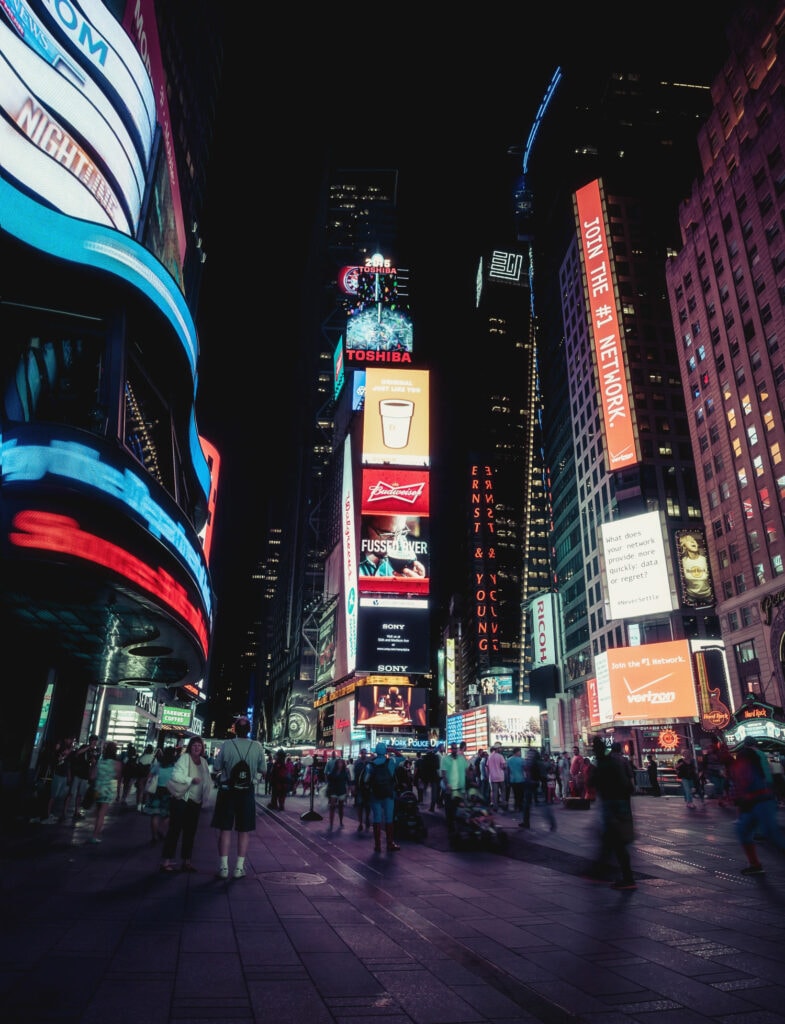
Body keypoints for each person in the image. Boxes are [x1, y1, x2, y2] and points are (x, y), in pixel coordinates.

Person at [211, 716, 265, 879]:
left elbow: (217, 767)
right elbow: (263, 769)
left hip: (227, 791)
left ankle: (223, 868)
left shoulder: (227, 745)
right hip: (246, 792)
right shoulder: (257, 746)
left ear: (234, 729)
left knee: (225, 829)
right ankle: (239, 868)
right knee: (244, 830)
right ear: (249, 730)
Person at [729, 738, 785, 875]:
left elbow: (750, 783)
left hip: (761, 801)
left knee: (770, 834)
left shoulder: (748, 763)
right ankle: (755, 864)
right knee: (745, 830)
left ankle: (755, 864)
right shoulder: (754, 758)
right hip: (756, 801)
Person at [159, 737, 214, 873]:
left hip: (196, 801)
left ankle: (187, 861)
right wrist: (190, 779)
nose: (197, 748)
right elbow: (176, 775)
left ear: (202, 748)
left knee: (190, 832)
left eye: (199, 746)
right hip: (182, 799)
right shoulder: (184, 758)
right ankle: (166, 861)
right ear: (190, 747)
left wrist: (206, 795)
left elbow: (207, 779)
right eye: (194, 745)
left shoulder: (203, 761)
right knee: (175, 830)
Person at [587, 738, 636, 889]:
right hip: (620, 802)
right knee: (614, 840)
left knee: (614, 840)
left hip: (611, 804)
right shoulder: (616, 762)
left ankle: (625, 878)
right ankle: (608, 872)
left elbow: (593, 782)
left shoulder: (603, 763)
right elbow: (628, 783)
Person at [359, 514, 426, 578]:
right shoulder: (351, 552)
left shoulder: (402, 542)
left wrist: (417, 586)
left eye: (400, 532)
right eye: (386, 533)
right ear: (363, 524)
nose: (394, 543)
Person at [367, 742, 400, 852]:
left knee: (377, 818)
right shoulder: (391, 762)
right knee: (389, 818)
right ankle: (390, 843)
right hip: (388, 794)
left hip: (375, 794)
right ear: (385, 751)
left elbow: (365, 780)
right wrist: (393, 750)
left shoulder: (370, 764)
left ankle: (377, 845)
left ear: (376, 751)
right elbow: (403, 758)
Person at [143, 746, 177, 843]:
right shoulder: (174, 767)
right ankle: (161, 829)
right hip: (169, 792)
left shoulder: (158, 765)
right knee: (168, 815)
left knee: (154, 815)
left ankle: (154, 836)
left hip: (156, 791)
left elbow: (149, 776)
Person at [89, 740, 120, 844]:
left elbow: (92, 776)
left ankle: (94, 832)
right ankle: (95, 836)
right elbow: (117, 776)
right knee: (102, 814)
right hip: (107, 790)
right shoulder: (116, 764)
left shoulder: (100, 762)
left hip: (97, 789)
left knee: (97, 812)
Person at [64, 735, 100, 822]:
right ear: (90, 741)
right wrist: (88, 747)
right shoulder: (84, 747)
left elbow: (93, 763)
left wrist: (93, 762)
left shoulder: (94, 751)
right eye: (93, 741)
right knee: (71, 794)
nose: (95, 743)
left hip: (85, 775)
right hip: (77, 774)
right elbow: (77, 753)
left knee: (80, 795)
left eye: (95, 742)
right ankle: (64, 812)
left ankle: (76, 811)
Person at [42, 737, 74, 824]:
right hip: (57, 775)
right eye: (70, 739)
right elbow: (57, 761)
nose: (71, 741)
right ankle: (47, 815)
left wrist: (69, 776)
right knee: (53, 796)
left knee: (58, 796)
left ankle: (51, 813)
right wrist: (65, 754)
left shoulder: (68, 751)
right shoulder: (60, 750)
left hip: (63, 776)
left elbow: (68, 765)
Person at [440, 741, 468, 835]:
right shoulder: (445, 759)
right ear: (451, 749)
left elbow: (467, 770)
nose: (455, 750)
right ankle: (450, 830)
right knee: (449, 811)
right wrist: (447, 784)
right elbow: (443, 774)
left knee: (459, 810)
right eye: (453, 748)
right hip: (450, 790)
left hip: (460, 789)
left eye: (456, 748)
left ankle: (459, 830)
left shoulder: (462, 759)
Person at [679, 532, 713, 602]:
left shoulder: (705, 559)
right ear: (684, 546)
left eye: (694, 540)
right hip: (691, 598)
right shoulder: (682, 562)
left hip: (708, 596)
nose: (692, 541)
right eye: (688, 540)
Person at [325, 755, 350, 832]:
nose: (340, 764)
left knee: (341, 807)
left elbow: (348, 781)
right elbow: (329, 780)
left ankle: (341, 822)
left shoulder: (345, 772)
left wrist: (348, 791)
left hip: (341, 790)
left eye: (341, 763)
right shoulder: (333, 772)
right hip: (334, 790)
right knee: (332, 807)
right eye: (338, 763)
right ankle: (331, 824)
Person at [134, 744, 156, 811]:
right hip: (148, 776)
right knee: (146, 792)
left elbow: (136, 765)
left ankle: (138, 806)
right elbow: (155, 768)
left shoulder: (141, 757)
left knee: (139, 791)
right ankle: (144, 805)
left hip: (140, 776)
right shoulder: (153, 758)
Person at [487, 742, 507, 811]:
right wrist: (503, 767)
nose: (501, 749)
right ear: (497, 749)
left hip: (493, 777)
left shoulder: (490, 756)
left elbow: (487, 766)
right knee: (503, 791)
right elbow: (504, 766)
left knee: (495, 792)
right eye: (500, 748)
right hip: (500, 777)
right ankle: (503, 804)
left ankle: (495, 806)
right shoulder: (500, 756)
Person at [506, 746, 526, 813]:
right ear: (517, 752)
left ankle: (516, 806)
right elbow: (524, 770)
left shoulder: (508, 760)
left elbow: (507, 771)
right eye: (519, 751)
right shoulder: (522, 760)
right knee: (521, 794)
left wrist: (508, 780)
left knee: (515, 794)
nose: (520, 753)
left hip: (513, 780)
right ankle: (520, 806)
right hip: (521, 779)